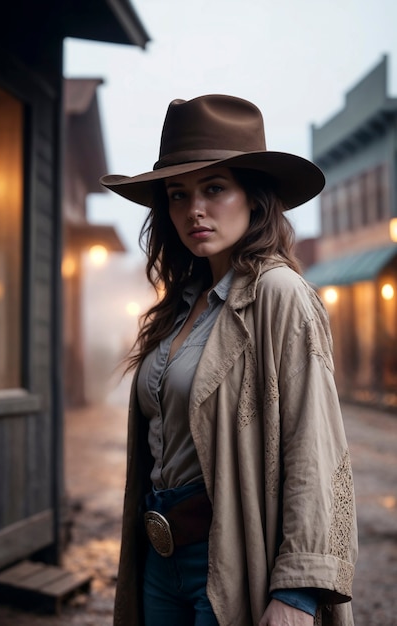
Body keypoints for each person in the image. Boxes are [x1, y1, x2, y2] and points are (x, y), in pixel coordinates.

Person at [100, 94, 358, 626]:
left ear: (254, 196)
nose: (194, 209)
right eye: (178, 194)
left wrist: (299, 592)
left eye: (214, 188)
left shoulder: (279, 294)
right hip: (159, 558)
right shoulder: (178, 305)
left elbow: (315, 446)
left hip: (233, 558)